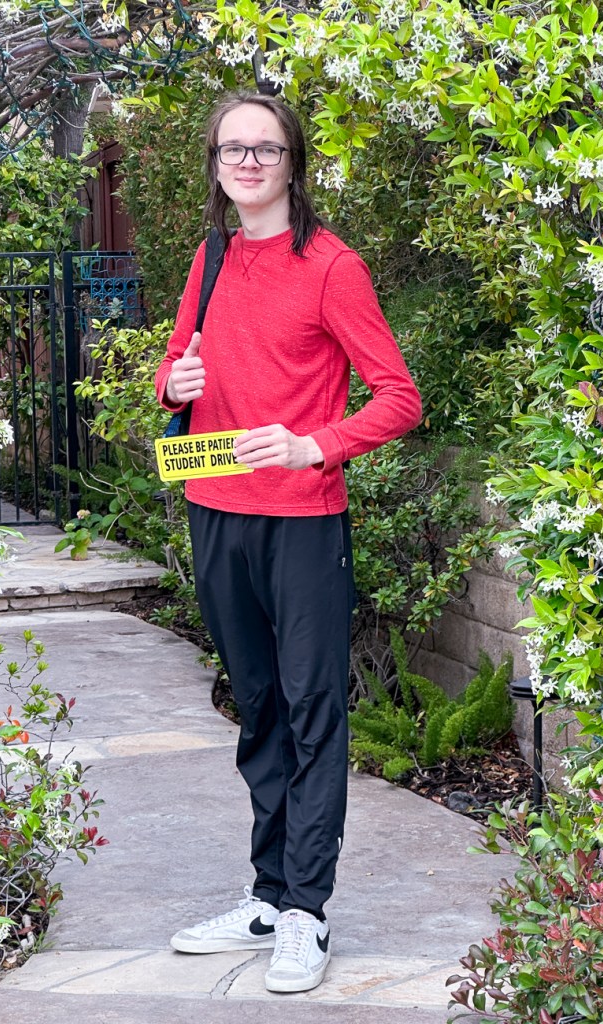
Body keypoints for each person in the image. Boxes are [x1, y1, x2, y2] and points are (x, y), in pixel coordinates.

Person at [154, 90, 422, 994]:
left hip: (303, 521)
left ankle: (307, 909)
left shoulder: (333, 266)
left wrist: (317, 444)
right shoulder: (212, 255)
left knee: (312, 711)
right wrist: (172, 381)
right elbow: (179, 365)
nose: (248, 162)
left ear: (292, 162)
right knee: (259, 707)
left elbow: (399, 397)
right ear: (216, 164)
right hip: (214, 501)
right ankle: (268, 895)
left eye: (265, 149)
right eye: (232, 148)